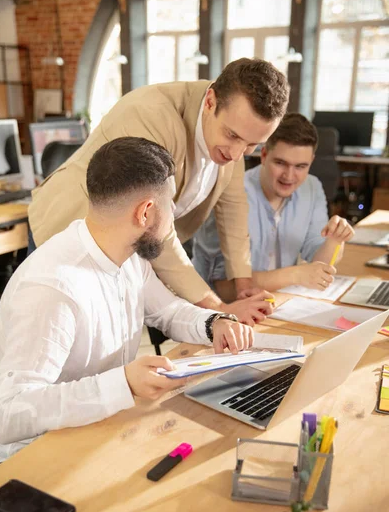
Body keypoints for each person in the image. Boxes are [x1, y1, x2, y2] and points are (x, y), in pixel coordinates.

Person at [0, 138, 255, 466]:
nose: (172, 217)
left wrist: (214, 323)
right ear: (145, 212)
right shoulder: (53, 288)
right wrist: (123, 383)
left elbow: (167, 310)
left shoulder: (127, 254)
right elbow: (9, 413)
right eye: (170, 205)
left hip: (97, 431)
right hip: (30, 463)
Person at [28, 58, 290, 325]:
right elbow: (154, 225)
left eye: (252, 145)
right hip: (68, 231)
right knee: (53, 338)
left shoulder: (235, 133)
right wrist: (218, 307)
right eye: (232, 136)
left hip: (124, 252)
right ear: (210, 101)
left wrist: (242, 285)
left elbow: (233, 210)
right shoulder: (152, 117)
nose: (237, 154)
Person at [192, 113, 355, 301]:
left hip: (276, 305)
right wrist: (296, 275)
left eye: (301, 166)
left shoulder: (312, 187)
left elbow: (318, 266)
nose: (289, 176)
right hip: (216, 310)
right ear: (263, 155)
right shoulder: (230, 194)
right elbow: (225, 289)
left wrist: (334, 241)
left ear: (311, 162)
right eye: (280, 163)